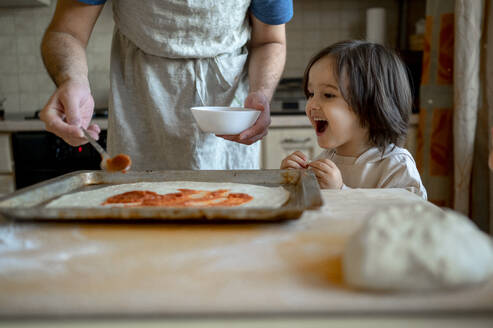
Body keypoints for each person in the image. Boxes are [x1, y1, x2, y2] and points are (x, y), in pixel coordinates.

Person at [40, 0, 293, 170]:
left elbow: (270, 41)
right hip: (139, 112)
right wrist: (72, 80)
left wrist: (261, 92)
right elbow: (67, 32)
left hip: (228, 121)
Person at [280, 40, 427, 199]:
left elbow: (403, 220)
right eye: (311, 94)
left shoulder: (396, 166)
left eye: (328, 95)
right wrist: (293, 181)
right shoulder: (325, 159)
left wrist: (341, 192)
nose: (312, 104)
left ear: (371, 105)